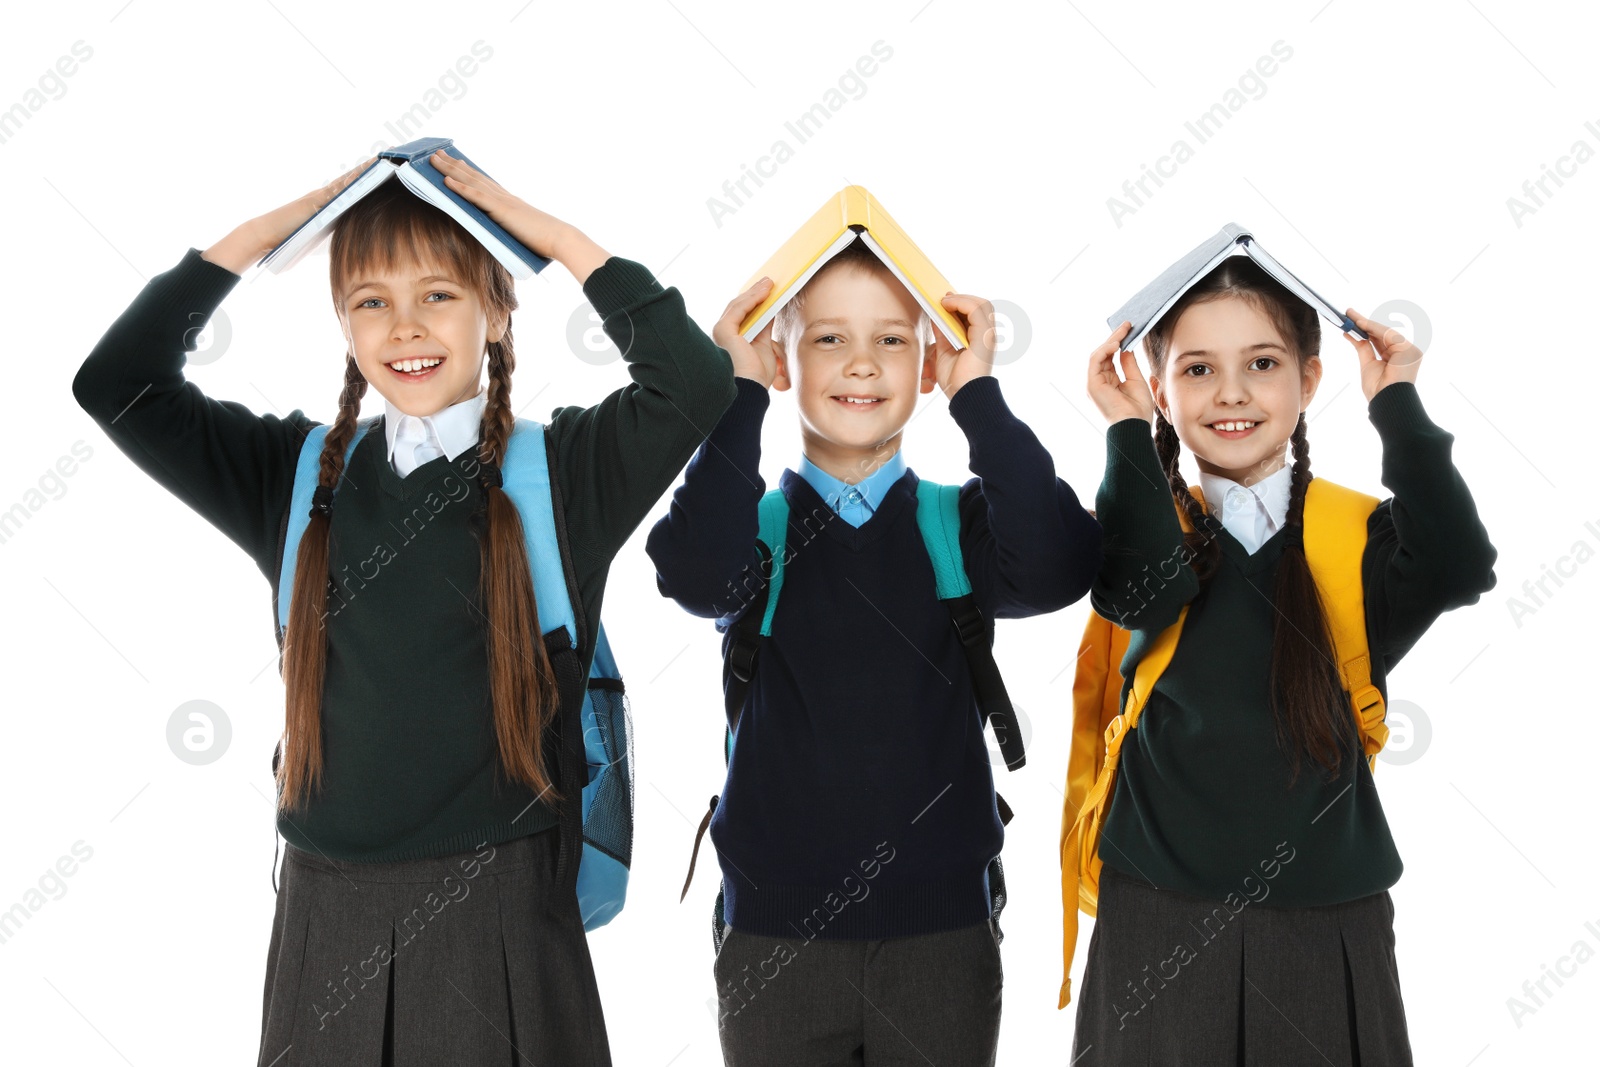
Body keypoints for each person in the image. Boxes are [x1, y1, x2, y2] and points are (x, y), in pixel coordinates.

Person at [71, 149, 736, 1065]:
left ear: (495, 311)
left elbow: (693, 382)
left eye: (440, 293)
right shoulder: (298, 478)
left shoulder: (565, 473)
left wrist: (540, 231)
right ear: (342, 321)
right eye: (370, 300)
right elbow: (117, 385)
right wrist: (274, 230)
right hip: (322, 915)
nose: (405, 326)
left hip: (500, 917)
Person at [646, 237, 1103, 1065]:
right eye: (828, 337)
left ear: (928, 363)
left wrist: (980, 398)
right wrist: (737, 391)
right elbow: (691, 572)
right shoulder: (758, 532)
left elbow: (1062, 562)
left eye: (892, 338)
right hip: (773, 940)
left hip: (945, 939)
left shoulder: (952, 523)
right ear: (783, 360)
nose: (862, 363)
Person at [1072, 256, 1497, 1064]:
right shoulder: (1145, 526)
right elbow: (1140, 595)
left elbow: (1459, 561)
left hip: (1326, 926)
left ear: (1308, 380)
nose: (1231, 393)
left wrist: (1395, 399)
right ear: (1161, 388)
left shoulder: (1351, 540)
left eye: (1262, 365)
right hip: (1157, 923)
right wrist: (1127, 428)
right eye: (1198, 369)